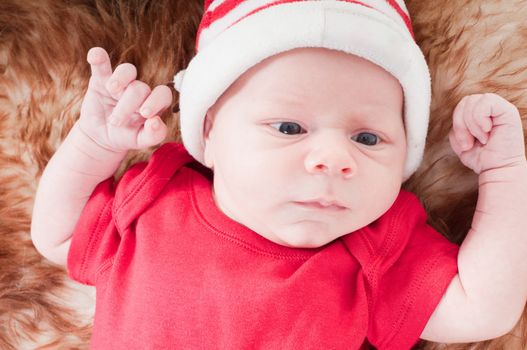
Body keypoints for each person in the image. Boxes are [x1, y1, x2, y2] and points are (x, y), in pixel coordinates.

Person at [30, 0, 527, 349]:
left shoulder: (375, 247)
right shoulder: (156, 197)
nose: (333, 159)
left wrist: (505, 174)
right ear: (210, 131)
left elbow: (482, 309)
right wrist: (93, 144)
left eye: (369, 139)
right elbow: (57, 234)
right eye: (289, 127)